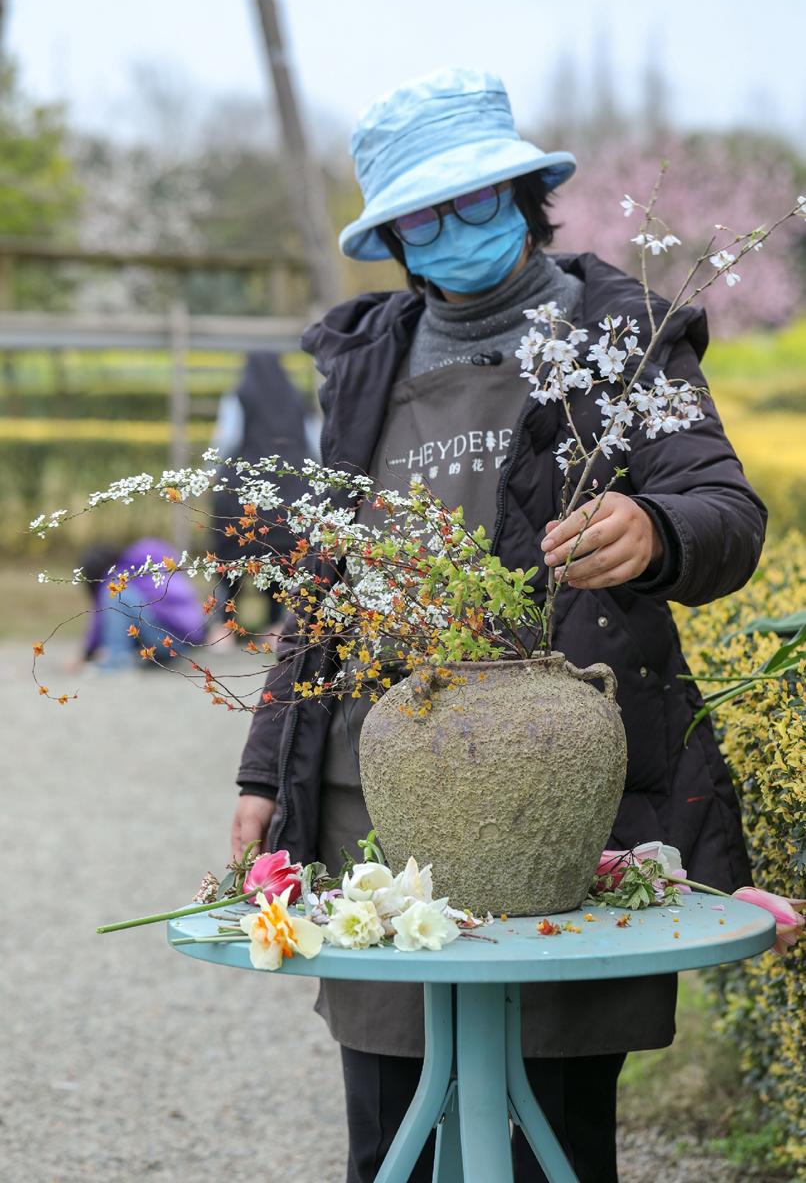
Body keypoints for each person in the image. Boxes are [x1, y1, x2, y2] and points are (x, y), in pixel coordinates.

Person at [229, 68, 766, 1182]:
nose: (455, 230)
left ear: (527, 198)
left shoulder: (619, 333)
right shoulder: (367, 357)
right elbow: (330, 590)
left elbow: (726, 511)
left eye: (479, 199)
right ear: (393, 237)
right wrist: (258, 771)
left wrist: (655, 526)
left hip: (560, 796)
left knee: (549, 1125)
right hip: (374, 797)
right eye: (423, 213)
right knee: (394, 1126)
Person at [208, 350, 318, 635]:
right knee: (282, 558)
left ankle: (224, 628)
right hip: (291, 496)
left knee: (230, 558)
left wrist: (213, 473)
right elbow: (315, 445)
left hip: (243, 499)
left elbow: (227, 440)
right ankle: (277, 622)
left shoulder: (240, 396)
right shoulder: (296, 398)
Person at [81, 537, 205, 669]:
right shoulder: (143, 559)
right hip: (188, 641)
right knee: (133, 606)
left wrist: (86, 654)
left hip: (168, 640)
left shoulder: (117, 576)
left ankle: (115, 660)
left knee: (116, 594)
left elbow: (100, 617)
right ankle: (129, 656)